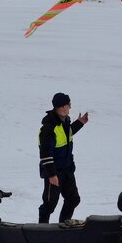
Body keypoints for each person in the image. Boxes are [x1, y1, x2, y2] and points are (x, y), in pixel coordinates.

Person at [38, 92, 89, 224]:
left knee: (73, 199)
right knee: (49, 206)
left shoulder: (65, 121)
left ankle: (63, 226)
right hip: (55, 173)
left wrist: (79, 123)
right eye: (69, 104)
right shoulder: (49, 128)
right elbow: (45, 154)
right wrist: (52, 175)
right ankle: (41, 232)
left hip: (67, 170)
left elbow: (67, 134)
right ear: (62, 107)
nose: (70, 107)